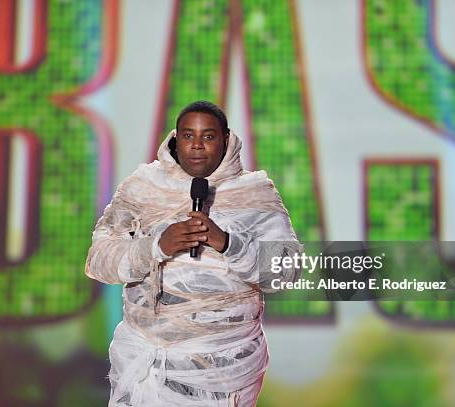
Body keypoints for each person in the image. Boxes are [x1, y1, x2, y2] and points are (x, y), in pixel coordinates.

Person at [85, 101, 302, 406]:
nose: (197, 146)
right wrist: (155, 247)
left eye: (208, 136)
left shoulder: (254, 194)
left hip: (222, 372)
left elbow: (287, 271)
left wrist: (228, 243)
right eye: (188, 136)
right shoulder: (142, 188)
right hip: (145, 365)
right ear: (176, 139)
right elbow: (98, 261)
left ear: (225, 139)